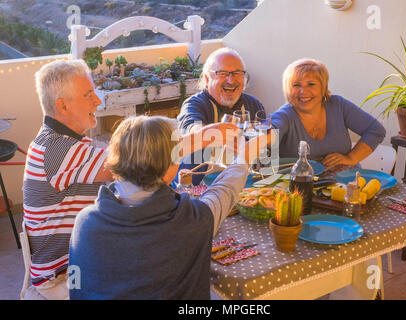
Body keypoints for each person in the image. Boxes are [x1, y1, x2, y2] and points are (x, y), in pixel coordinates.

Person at [68, 115, 270, 299]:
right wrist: (243, 158)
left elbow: (76, 287)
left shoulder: (85, 222)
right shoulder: (194, 218)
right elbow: (225, 191)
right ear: (168, 172)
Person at [22, 59, 113, 299]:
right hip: (64, 276)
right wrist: (203, 139)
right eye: (89, 94)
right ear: (63, 106)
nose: (98, 101)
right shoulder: (59, 149)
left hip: (62, 265)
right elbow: (138, 163)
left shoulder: (54, 140)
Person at [272, 58, 386, 169]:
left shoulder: (339, 105)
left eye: (311, 84)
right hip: (301, 184)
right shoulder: (285, 114)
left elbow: (376, 130)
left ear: (323, 87)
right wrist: (262, 137)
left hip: (347, 181)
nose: (303, 91)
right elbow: (269, 130)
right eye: (296, 85)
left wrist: (351, 158)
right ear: (288, 89)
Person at [176, 47, 266, 184]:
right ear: (207, 78)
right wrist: (216, 136)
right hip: (198, 189)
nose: (231, 80)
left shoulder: (254, 105)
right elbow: (191, 129)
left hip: (243, 186)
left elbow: (264, 151)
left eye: (237, 73)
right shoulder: (194, 104)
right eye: (223, 73)